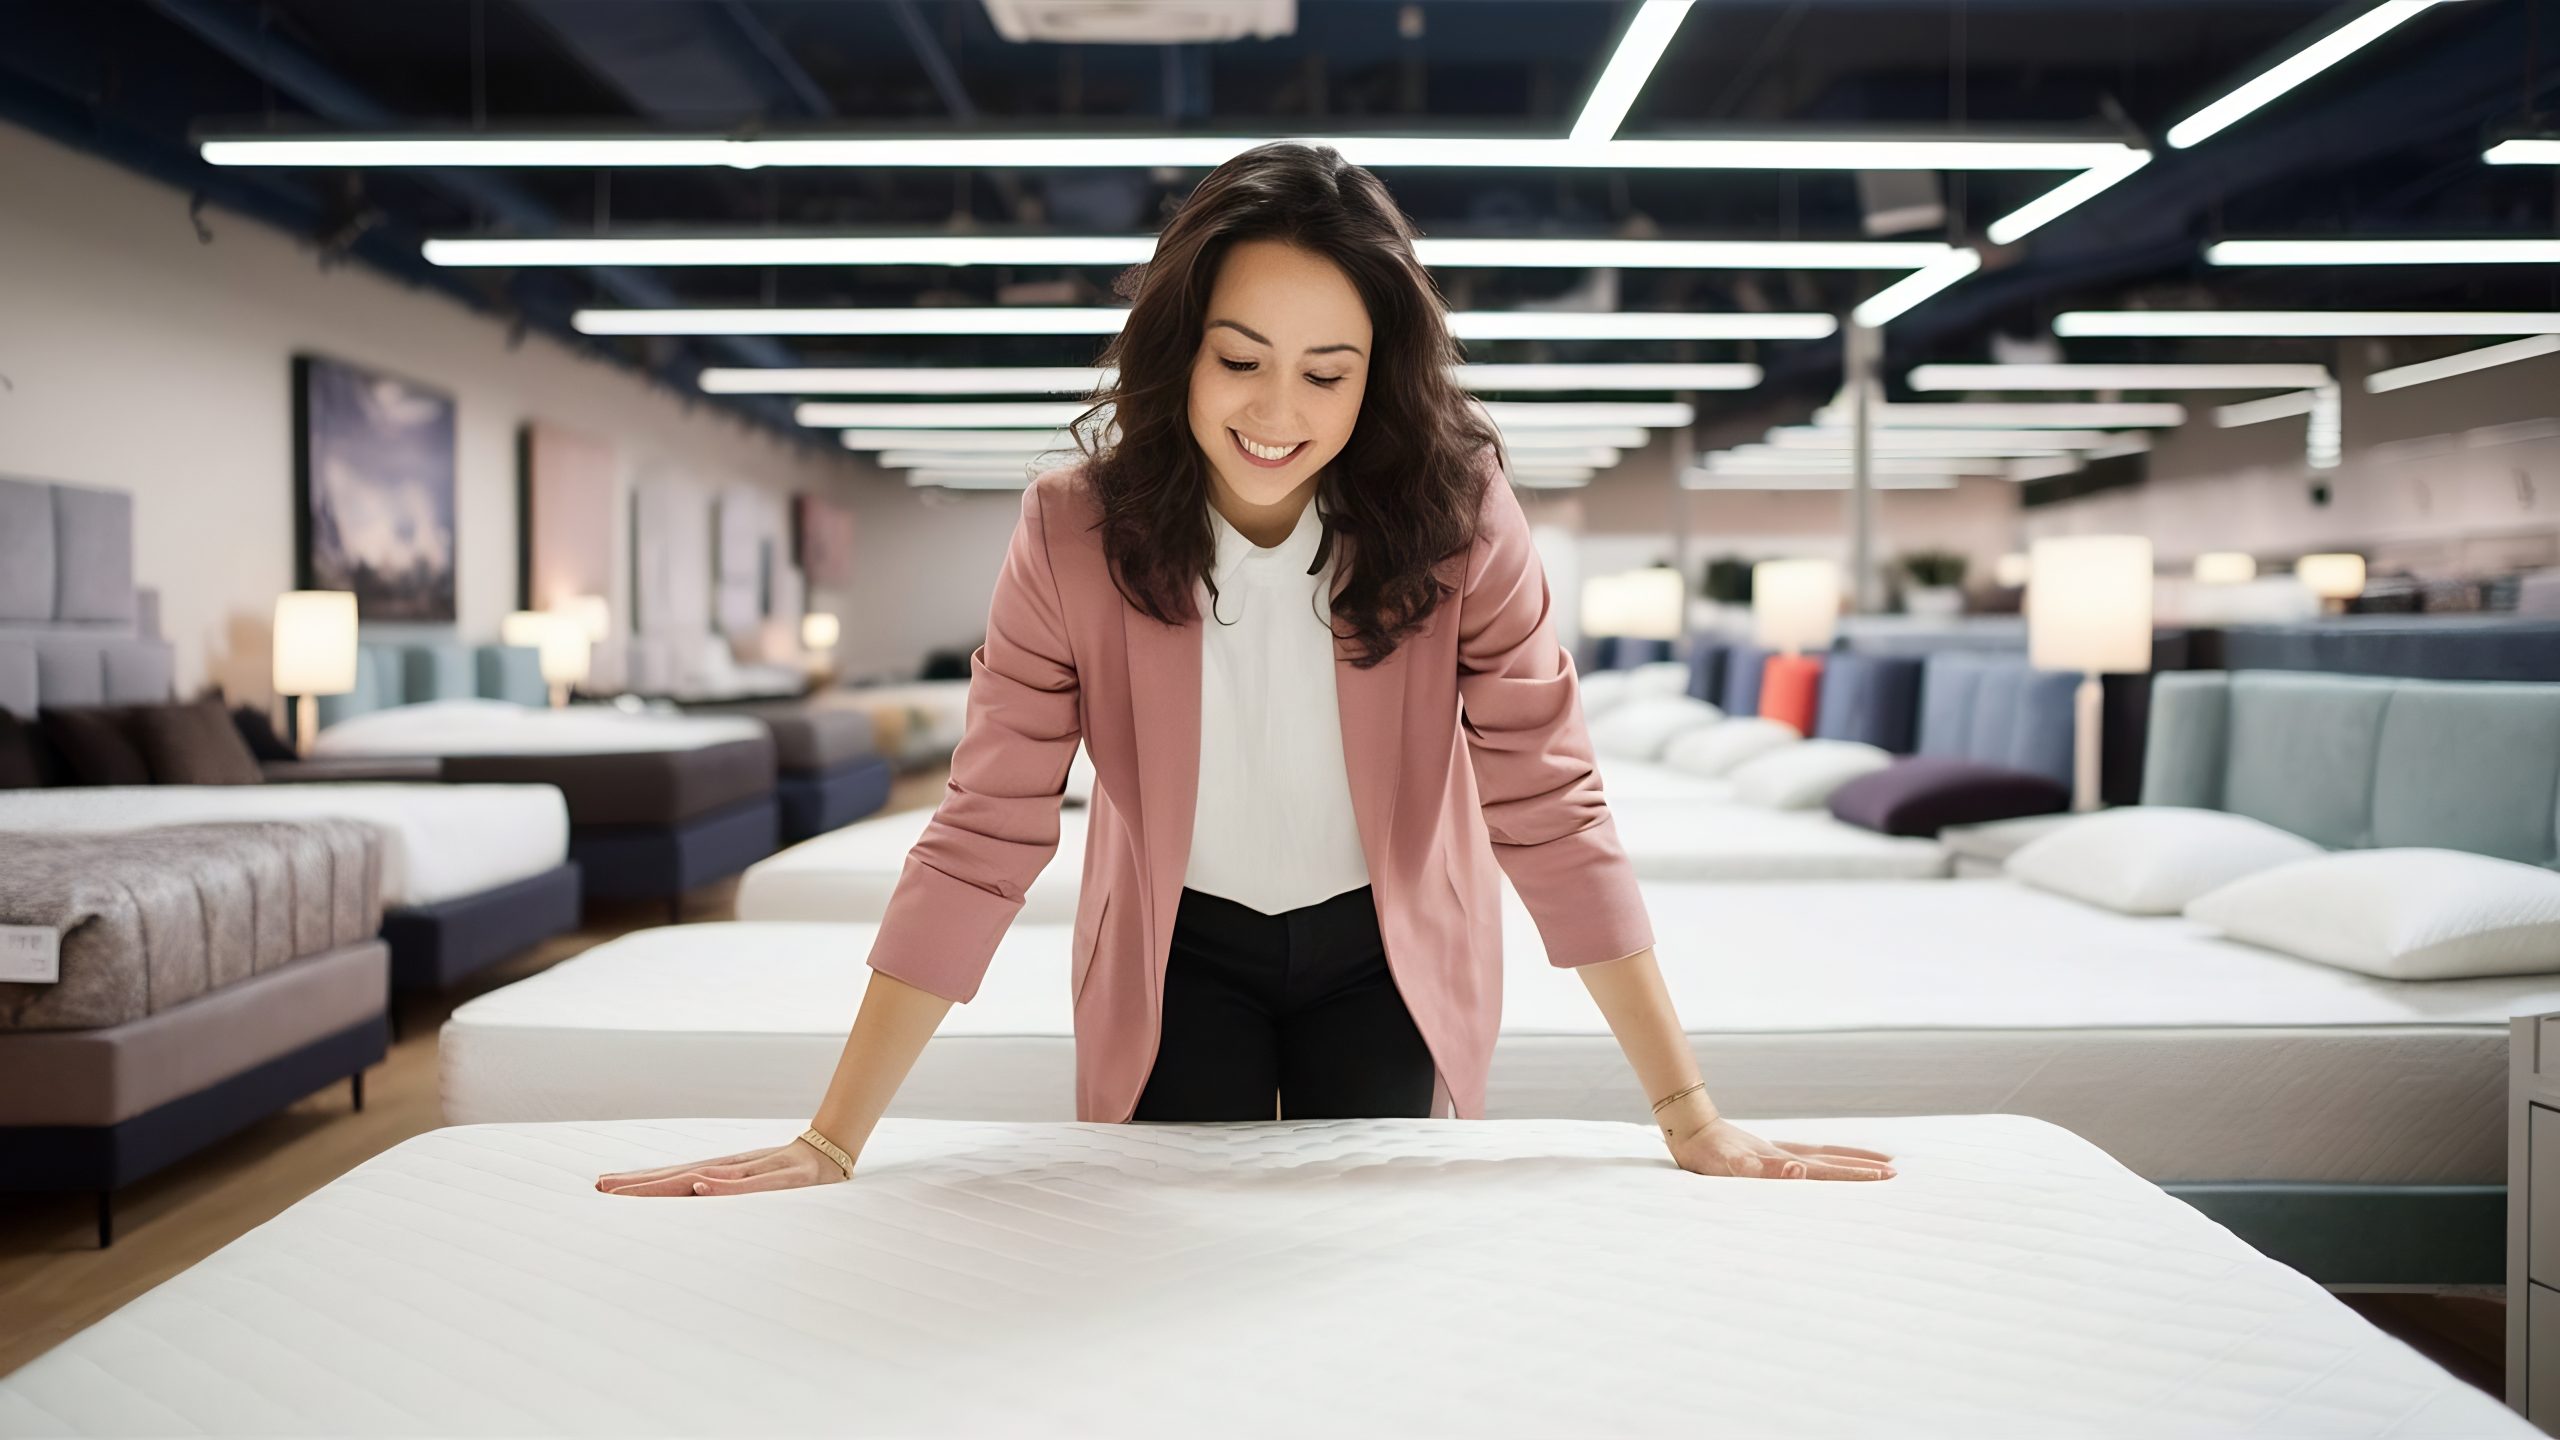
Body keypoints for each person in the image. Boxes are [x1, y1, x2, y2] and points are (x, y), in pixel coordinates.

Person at [599, 141, 1895, 1198]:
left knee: (1356, 1277)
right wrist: (832, 1137)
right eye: (1241, 363)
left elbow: (1551, 806)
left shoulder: (1458, 519)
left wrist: (1688, 1112)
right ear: (1182, 350)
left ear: (1377, 379)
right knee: (1158, 1254)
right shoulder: (1073, 530)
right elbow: (983, 831)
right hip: (1180, 957)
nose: (1278, 416)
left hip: (1384, 960)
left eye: (1327, 376)